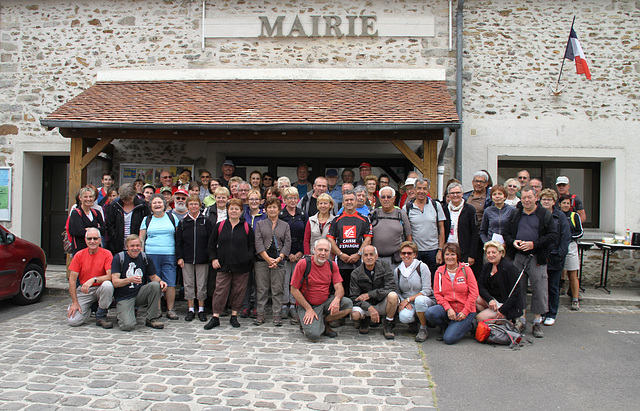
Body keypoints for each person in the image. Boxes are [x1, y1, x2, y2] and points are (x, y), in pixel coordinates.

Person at [503, 185, 557, 338]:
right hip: (518, 256)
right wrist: (513, 242)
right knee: (518, 289)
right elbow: (506, 234)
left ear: (536, 197)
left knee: (539, 289)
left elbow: (553, 236)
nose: (526, 200)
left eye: (529, 197)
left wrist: (535, 244)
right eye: (524, 197)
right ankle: (521, 320)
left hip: (537, 257)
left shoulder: (544, 214)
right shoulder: (516, 214)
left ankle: (537, 322)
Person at [290, 239, 353, 342]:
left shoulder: (332, 265)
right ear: (314, 250)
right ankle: (308, 323)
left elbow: (339, 287)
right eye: (320, 250)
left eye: (326, 250)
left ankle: (324, 321)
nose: (323, 253)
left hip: (325, 302)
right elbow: (294, 289)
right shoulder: (303, 263)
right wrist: (308, 309)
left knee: (348, 304)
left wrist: (337, 299)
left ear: (330, 252)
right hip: (307, 304)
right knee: (313, 336)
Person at [206, 198, 255, 329]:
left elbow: (251, 245)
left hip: (242, 266)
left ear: (241, 211)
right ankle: (215, 316)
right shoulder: (220, 226)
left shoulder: (246, 227)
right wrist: (214, 259)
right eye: (231, 208)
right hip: (223, 265)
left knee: (238, 291)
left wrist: (247, 257)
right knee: (220, 291)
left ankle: (234, 316)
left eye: (236, 209)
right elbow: (211, 244)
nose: (234, 211)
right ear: (227, 210)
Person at [425, 243, 478, 345]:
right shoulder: (439, 271)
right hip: (449, 309)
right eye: (447, 254)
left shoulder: (466, 269)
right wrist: (448, 308)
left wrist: (465, 311)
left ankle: (469, 326)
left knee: (449, 339)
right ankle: (446, 327)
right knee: (430, 313)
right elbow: (437, 293)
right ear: (443, 256)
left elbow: (474, 293)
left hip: (465, 309)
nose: (450, 257)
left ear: (457, 256)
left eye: (453, 254)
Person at [110, 234, 167, 330]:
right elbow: (115, 282)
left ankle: (151, 318)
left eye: (138, 245)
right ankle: (123, 314)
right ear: (126, 247)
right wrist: (129, 280)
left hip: (139, 293)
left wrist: (161, 281)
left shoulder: (145, 258)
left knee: (154, 285)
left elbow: (153, 276)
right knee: (128, 326)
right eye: (132, 246)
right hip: (124, 297)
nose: (135, 248)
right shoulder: (119, 258)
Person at [139, 194, 179, 320]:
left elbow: (178, 238)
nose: (157, 205)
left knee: (170, 282)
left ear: (164, 204)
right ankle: (156, 309)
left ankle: (170, 309)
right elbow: (141, 239)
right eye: (154, 203)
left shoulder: (172, 218)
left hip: (169, 254)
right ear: (151, 206)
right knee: (154, 283)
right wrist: (141, 254)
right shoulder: (146, 220)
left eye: (159, 203)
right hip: (151, 255)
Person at [254, 197, 292, 326]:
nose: (272, 209)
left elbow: (287, 243)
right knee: (262, 289)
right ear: (265, 209)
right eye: (269, 207)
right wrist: (268, 259)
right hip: (262, 261)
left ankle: (277, 315)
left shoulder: (285, 225)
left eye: (274, 207)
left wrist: (279, 258)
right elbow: (258, 243)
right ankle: (261, 314)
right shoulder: (260, 224)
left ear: (279, 209)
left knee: (277, 289)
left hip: (279, 261)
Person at [327, 189, 372, 297]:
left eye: (351, 199)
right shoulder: (336, 219)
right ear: (343, 203)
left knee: (358, 290)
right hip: (340, 263)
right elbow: (330, 239)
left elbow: (368, 239)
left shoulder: (364, 219)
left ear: (356, 201)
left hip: (359, 262)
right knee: (341, 291)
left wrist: (358, 254)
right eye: (346, 200)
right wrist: (340, 254)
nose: (349, 202)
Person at [176, 195, 214, 322]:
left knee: (201, 284)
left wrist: (210, 256)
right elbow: (178, 242)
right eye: (191, 204)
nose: (193, 206)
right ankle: (191, 309)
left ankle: (201, 309)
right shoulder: (182, 222)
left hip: (203, 258)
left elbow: (211, 240)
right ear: (187, 206)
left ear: (200, 206)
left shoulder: (206, 221)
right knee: (188, 284)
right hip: (186, 259)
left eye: (196, 204)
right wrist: (179, 257)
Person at [67, 228, 114, 329]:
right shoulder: (79, 255)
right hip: (85, 291)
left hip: (100, 288)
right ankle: (87, 310)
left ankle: (101, 315)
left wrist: (93, 279)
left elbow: (110, 276)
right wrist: (75, 303)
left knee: (108, 285)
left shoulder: (107, 254)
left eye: (95, 238)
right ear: (85, 240)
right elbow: (72, 280)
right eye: (89, 238)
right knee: (73, 321)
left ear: (100, 240)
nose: (92, 241)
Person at [349, 245, 398, 339]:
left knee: (393, 296)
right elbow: (354, 297)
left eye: (371, 254)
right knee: (355, 315)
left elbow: (391, 287)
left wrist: (370, 294)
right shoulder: (355, 273)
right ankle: (364, 320)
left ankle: (388, 322)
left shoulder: (385, 266)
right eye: (366, 255)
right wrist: (369, 308)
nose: (369, 257)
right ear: (362, 257)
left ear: (377, 256)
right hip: (365, 305)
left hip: (382, 301)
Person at [539, 189, 571, 326]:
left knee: (553, 286)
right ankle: (541, 312)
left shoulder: (560, 216)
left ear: (554, 201)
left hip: (555, 256)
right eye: (544, 199)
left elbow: (565, 237)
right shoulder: (537, 214)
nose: (546, 201)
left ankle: (551, 313)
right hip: (541, 256)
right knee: (541, 287)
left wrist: (559, 255)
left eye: (549, 199)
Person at [403, 178, 445, 278]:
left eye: (424, 189)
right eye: (419, 188)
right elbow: (407, 232)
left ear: (428, 190)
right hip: (416, 251)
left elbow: (441, 229)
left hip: (433, 250)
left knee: (433, 279)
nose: (421, 191)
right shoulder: (407, 208)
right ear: (414, 189)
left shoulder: (436, 205)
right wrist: (411, 250)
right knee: (416, 279)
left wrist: (440, 250)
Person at [395, 241, 436, 342]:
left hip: (424, 299)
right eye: (403, 253)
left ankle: (423, 328)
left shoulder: (422, 267)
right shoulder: (398, 270)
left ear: (415, 254)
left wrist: (408, 299)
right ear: (400, 255)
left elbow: (427, 290)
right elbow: (397, 291)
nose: (406, 255)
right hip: (408, 301)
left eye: (409, 253)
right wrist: (403, 300)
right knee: (404, 317)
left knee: (419, 301)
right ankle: (413, 321)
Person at [475, 241, 524, 322]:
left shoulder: (509, 268)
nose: (491, 255)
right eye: (488, 253)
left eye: (494, 252)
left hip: (506, 305)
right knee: (474, 299)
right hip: (494, 301)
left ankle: (505, 320)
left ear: (501, 253)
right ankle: (492, 318)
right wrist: (490, 299)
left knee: (479, 318)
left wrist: (503, 310)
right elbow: (480, 285)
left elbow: (516, 292)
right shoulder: (487, 267)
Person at [279, 187, 308, 321]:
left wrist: (300, 252)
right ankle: (284, 305)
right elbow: (278, 236)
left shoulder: (302, 214)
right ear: (284, 200)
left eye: (295, 198)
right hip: (285, 252)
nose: (292, 200)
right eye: (289, 198)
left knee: (296, 281)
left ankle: (294, 305)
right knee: (285, 280)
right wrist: (287, 253)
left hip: (299, 251)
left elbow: (306, 235)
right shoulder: (281, 215)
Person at [240, 189, 267, 318]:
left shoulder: (264, 216)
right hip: (245, 252)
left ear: (261, 201)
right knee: (246, 280)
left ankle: (257, 306)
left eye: (256, 199)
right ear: (248, 201)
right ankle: (246, 306)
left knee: (259, 282)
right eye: (251, 199)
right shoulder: (243, 215)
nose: (254, 202)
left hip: (260, 253)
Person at [371, 186, 412, 266]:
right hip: (376, 260)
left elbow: (408, 236)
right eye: (383, 197)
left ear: (394, 199)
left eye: (389, 197)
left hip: (396, 260)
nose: (386, 199)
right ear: (379, 199)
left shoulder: (401, 214)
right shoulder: (373, 214)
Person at [105, 183, 150, 255]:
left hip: (136, 244)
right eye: (124, 200)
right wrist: (115, 236)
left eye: (129, 200)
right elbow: (110, 224)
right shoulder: (114, 205)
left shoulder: (142, 205)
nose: (127, 202)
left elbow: (147, 223)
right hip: (118, 244)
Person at [442, 182, 480, 267]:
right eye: (452, 193)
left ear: (462, 194)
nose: (455, 195)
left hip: (464, 251)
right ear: (448, 195)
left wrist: (472, 255)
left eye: (458, 193)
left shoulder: (470, 210)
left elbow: (474, 233)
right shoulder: (444, 209)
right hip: (448, 251)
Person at [559, 193, 584, 312]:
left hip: (571, 246)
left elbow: (580, 232)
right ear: (560, 204)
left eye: (568, 203)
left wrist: (568, 237)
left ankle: (575, 298)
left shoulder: (574, 216)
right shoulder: (557, 215)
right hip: (558, 246)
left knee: (572, 273)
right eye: (563, 203)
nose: (565, 205)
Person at [68, 187, 106, 256]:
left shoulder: (96, 213)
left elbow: (103, 229)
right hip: (80, 251)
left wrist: (88, 229)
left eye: (90, 197)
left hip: (95, 251)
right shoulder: (75, 213)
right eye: (85, 197)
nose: (88, 199)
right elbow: (78, 231)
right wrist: (95, 229)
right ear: (80, 198)